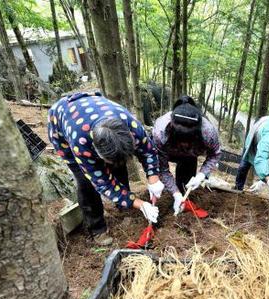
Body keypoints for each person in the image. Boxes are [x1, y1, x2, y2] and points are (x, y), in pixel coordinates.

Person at [47, 92, 163, 245]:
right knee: (87, 183)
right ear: (97, 153)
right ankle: (97, 228)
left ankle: (124, 204)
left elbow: (148, 151)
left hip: (97, 110)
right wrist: (142, 204)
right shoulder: (81, 144)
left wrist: (153, 179)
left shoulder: (132, 125)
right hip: (62, 125)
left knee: (119, 167)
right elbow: (103, 184)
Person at [152, 95, 221, 218]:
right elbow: (162, 169)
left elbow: (214, 155)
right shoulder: (160, 132)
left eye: (188, 138)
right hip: (169, 151)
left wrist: (202, 174)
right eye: (181, 138)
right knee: (175, 190)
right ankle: (178, 195)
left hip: (191, 154)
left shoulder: (208, 132)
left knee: (186, 177)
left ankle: (184, 195)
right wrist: (175, 194)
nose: (184, 143)